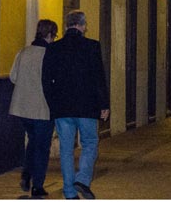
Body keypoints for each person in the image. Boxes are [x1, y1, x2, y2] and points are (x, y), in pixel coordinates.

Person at [42, 10, 109, 200]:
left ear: (66, 26)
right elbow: (98, 78)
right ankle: (83, 179)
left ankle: (69, 192)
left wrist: (52, 103)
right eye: (85, 25)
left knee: (66, 149)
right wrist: (104, 104)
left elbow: (46, 79)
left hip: (62, 108)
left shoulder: (54, 48)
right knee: (90, 143)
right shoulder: (92, 46)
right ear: (82, 25)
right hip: (87, 107)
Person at [9, 19, 58, 198]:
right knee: (42, 146)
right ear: (50, 34)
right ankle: (37, 185)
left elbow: (13, 76)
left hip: (22, 107)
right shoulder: (50, 54)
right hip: (43, 107)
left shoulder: (23, 52)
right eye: (54, 35)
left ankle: (26, 174)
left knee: (33, 140)